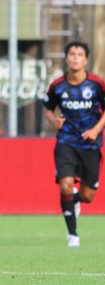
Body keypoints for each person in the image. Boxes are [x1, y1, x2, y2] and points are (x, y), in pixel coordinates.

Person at [42, 41, 105, 248]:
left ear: (86, 59)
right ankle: (73, 235)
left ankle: (77, 199)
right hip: (66, 141)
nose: (75, 57)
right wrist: (54, 121)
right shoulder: (58, 85)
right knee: (65, 184)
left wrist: (96, 130)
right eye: (72, 54)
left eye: (79, 54)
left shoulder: (96, 84)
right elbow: (49, 109)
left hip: (90, 144)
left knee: (88, 196)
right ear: (66, 58)